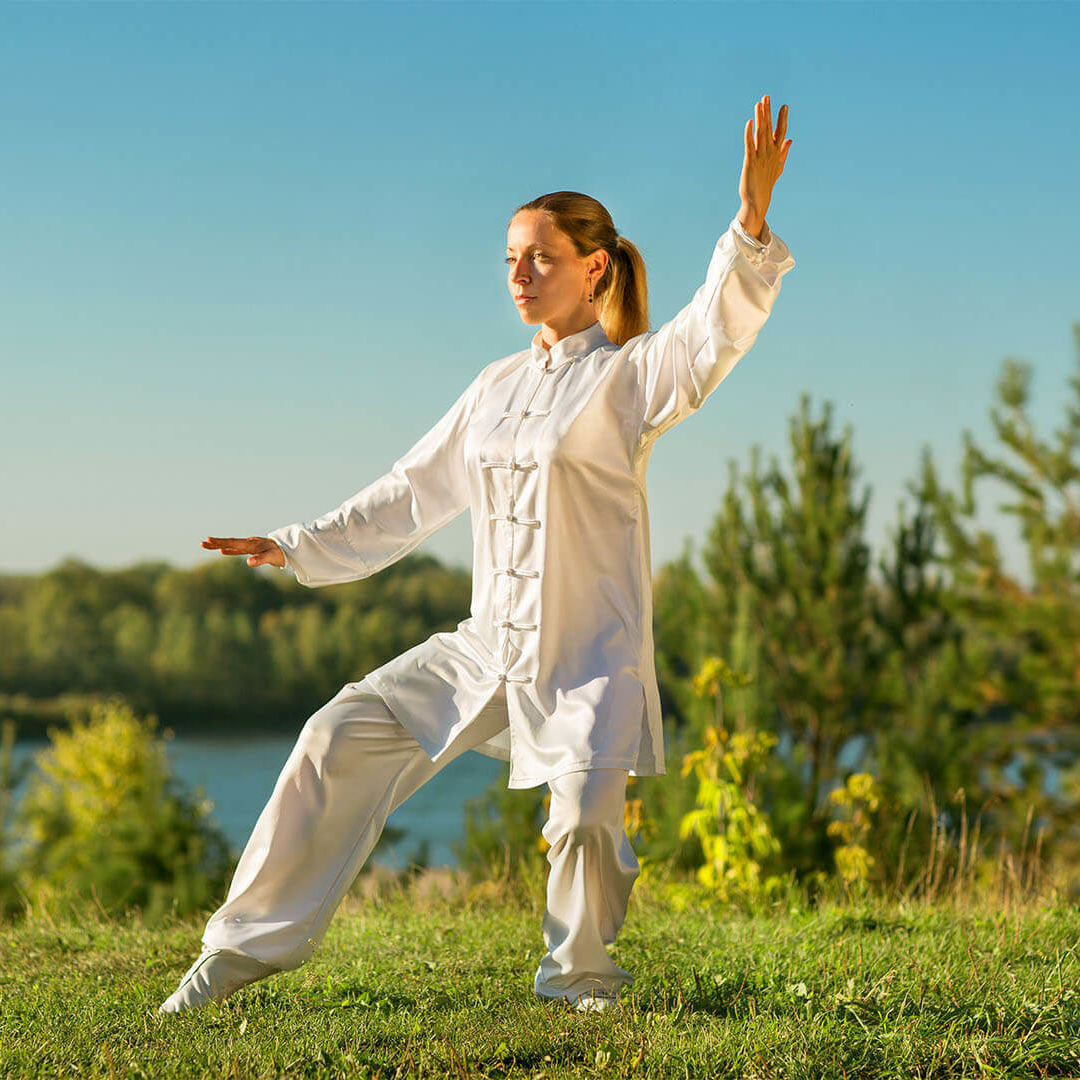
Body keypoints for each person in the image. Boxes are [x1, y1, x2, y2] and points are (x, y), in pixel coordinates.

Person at [158, 95, 795, 1016]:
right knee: (335, 736)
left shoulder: (630, 377)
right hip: (486, 648)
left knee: (581, 821)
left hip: (588, 657)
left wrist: (749, 220)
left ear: (595, 267)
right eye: (510, 259)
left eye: (539, 256)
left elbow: (711, 334)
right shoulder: (493, 388)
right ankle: (229, 960)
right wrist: (295, 546)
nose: (520, 274)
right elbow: (411, 492)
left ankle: (580, 984)